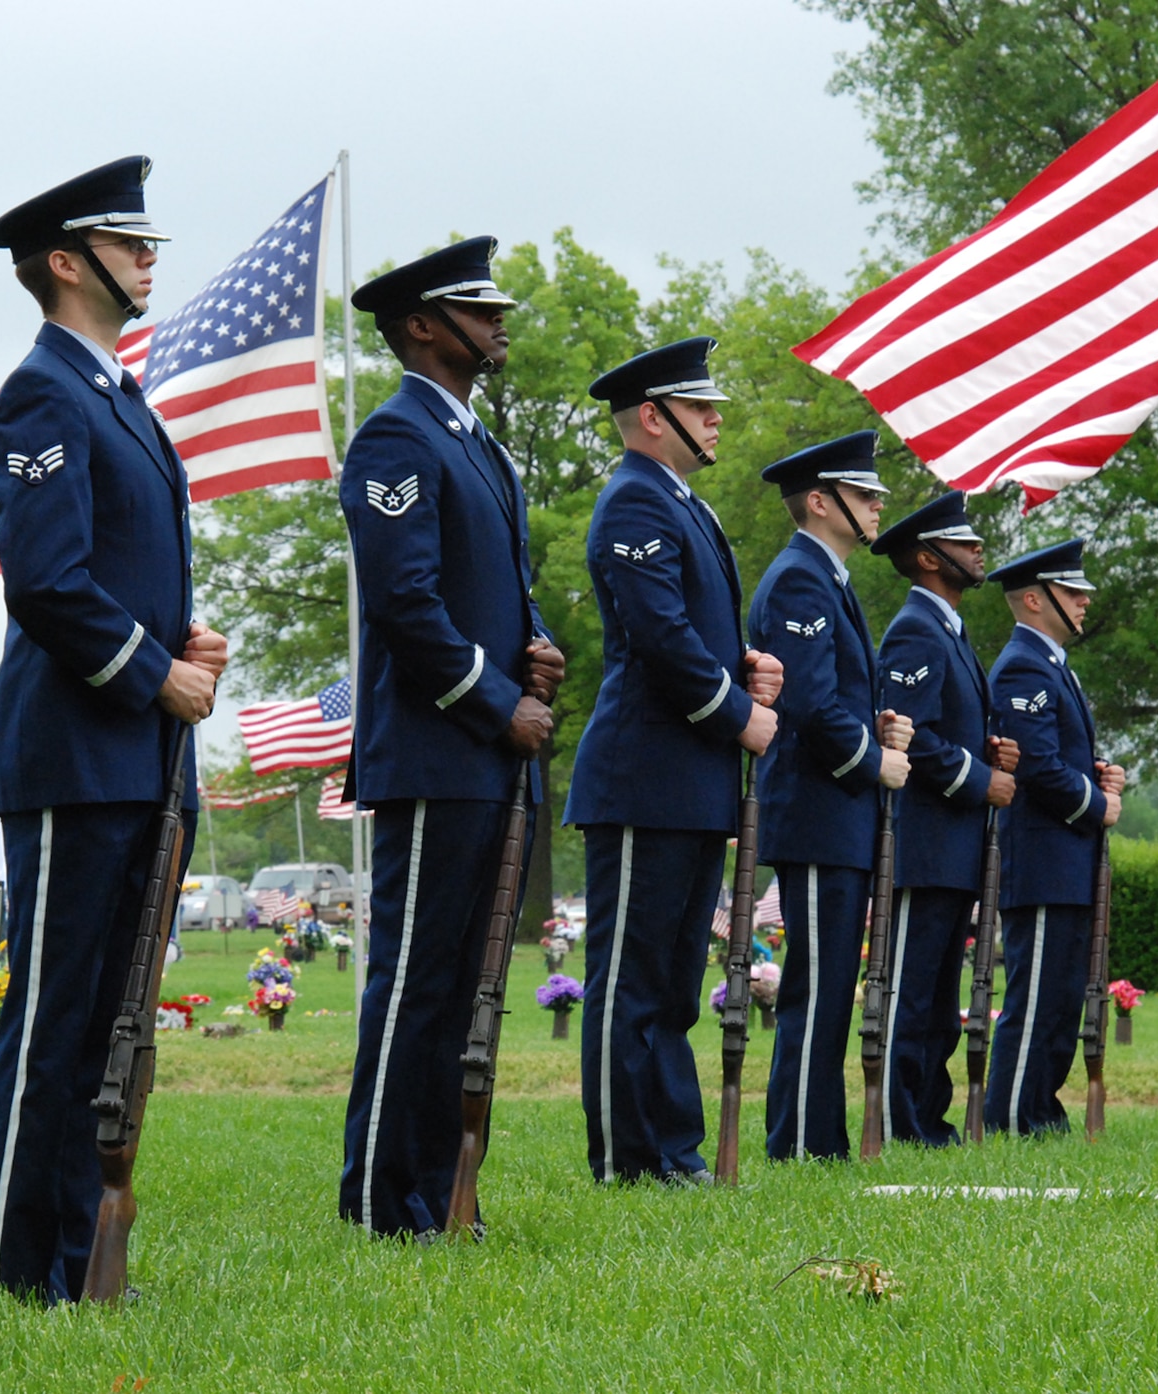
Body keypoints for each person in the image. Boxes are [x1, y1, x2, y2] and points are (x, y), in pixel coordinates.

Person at [0, 155, 227, 1304]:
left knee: (114, 1013)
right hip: (80, 751)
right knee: (59, 1016)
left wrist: (188, 651)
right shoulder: (44, 393)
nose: (149, 255)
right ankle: (23, 1263)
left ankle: (82, 1250)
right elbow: (49, 583)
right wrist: (153, 676)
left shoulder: (119, 397)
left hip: (138, 750)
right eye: (128, 242)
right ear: (68, 261)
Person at [337, 237, 564, 1237]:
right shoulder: (396, 440)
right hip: (437, 751)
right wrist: (494, 697)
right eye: (479, 306)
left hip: (484, 750)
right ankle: (387, 1200)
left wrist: (535, 649)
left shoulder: (472, 441)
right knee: (417, 985)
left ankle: (438, 1188)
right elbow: (405, 603)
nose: (499, 319)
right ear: (422, 323)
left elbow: (488, 590)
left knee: (465, 984)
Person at [563, 339, 782, 1184]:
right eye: (699, 409)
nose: (716, 418)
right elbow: (657, 638)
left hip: (688, 778)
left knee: (673, 983)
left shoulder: (683, 503)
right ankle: (628, 1156)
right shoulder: (634, 502)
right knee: (631, 981)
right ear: (653, 417)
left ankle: (672, 1151)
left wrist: (748, 667)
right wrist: (737, 715)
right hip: (643, 774)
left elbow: (696, 634)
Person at [748, 430, 911, 1162]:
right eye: (864, 492)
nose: (879, 503)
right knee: (815, 992)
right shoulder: (800, 579)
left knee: (829, 985)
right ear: (820, 500)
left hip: (834, 813)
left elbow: (831, 692)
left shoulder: (829, 579)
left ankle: (817, 1137)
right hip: (816, 810)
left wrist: (873, 725)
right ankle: (802, 1144)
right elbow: (809, 703)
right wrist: (873, 759)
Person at [868, 491, 1018, 1146]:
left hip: (951, 847)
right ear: (929, 558)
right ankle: (904, 1121)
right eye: (964, 542)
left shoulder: (948, 630)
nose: (979, 549)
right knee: (912, 995)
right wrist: (981, 777)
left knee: (937, 1001)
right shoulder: (915, 630)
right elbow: (912, 735)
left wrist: (990, 748)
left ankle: (929, 1118)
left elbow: (946, 727)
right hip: (924, 844)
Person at [982, 540, 1124, 1136]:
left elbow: (1058, 756)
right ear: (1036, 599)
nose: (1085, 599)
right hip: (1041, 859)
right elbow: (1036, 766)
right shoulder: (1022, 665)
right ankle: (1015, 1115)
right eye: (1072, 591)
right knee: (1037, 999)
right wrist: (1099, 803)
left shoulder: (1052, 666)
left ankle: (1040, 1109)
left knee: (1061, 999)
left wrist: (1097, 777)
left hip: (1064, 859)